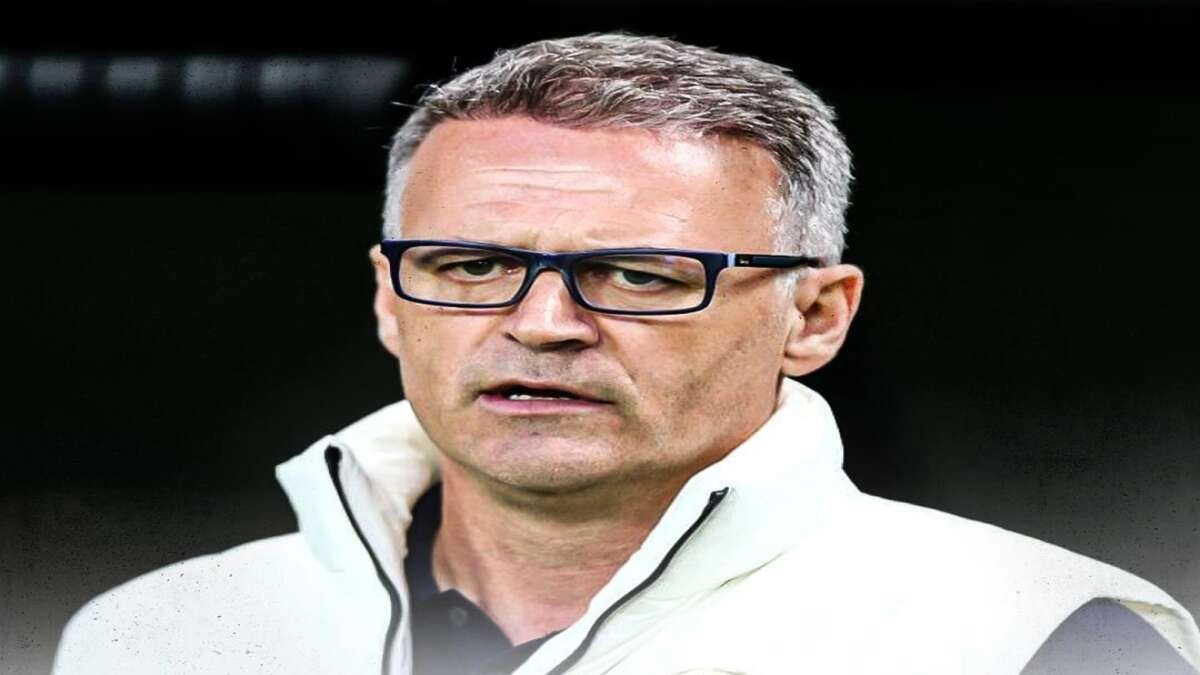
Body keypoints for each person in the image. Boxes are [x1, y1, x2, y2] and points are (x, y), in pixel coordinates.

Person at [53, 33, 1199, 675]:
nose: (544, 323)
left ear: (816, 317)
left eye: (641, 275)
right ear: (390, 300)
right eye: (469, 265)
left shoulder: (1034, 640)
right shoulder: (156, 638)